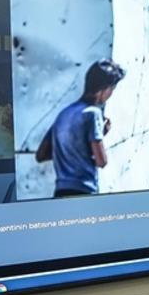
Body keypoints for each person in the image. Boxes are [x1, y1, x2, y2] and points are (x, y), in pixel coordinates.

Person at [36, 59, 125, 198]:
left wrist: (70, 154)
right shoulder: (93, 114)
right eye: (112, 89)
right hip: (83, 191)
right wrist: (100, 134)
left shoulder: (64, 114)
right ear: (104, 88)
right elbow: (101, 161)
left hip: (60, 192)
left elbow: (41, 155)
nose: (111, 94)